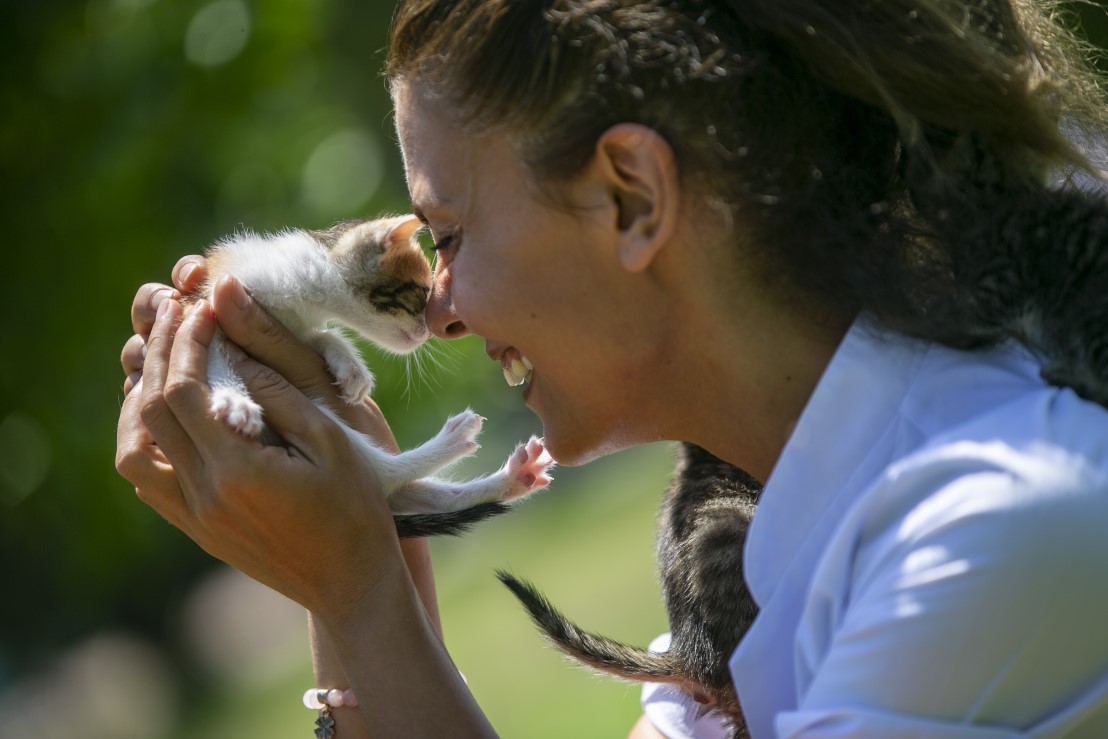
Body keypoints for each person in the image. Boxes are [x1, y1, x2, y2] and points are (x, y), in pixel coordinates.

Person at [116, 0, 1108, 736]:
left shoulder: (994, 524)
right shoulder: (751, 570)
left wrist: (361, 598)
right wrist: (363, 562)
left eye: (450, 235)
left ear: (630, 197)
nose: (445, 312)